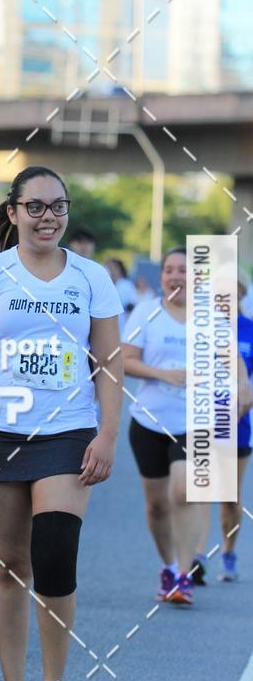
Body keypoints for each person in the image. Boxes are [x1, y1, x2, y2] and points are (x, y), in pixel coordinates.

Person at [0, 165, 123, 681]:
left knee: (54, 556)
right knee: (8, 565)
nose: (48, 217)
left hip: (67, 431)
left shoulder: (91, 278)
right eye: (36, 207)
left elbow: (109, 364)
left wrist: (106, 434)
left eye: (58, 206)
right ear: (13, 212)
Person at [122, 247, 209, 605]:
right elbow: (125, 361)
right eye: (169, 270)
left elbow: (231, 360)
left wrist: (240, 387)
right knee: (157, 505)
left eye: (183, 270)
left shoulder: (210, 317)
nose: (175, 276)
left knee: (183, 490)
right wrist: (164, 375)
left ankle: (185, 574)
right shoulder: (147, 311)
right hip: (148, 421)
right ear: (162, 278)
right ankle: (169, 566)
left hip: (195, 420)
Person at [217, 276, 253, 581]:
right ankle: (195, 555)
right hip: (199, 418)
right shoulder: (198, 326)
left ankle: (228, 552)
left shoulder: (249, 329)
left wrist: (246, 398)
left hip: (238, 420)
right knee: (196, 490)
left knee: (229, 494)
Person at [105, 258, 137, 328]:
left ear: (119, 269)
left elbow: (133, 303)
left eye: (113, 267)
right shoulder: (103, 284)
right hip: (105, 322)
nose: (111, 270)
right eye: (108, 267)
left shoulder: (127, 285)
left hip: (122, 322)